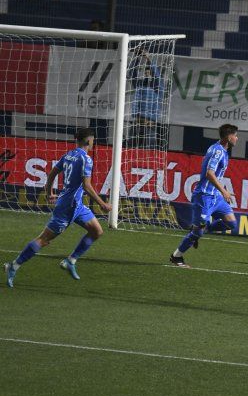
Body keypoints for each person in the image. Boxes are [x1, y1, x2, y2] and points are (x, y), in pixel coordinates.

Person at [3, 128, 112, 288]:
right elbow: (86, 186)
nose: (93, 142)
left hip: (77, 205)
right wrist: (102, 204)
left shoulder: (68, 155)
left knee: (96, 231)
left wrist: (49, 192)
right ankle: (13, 266)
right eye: (93, 140)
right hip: (67, 207)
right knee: (43, 240)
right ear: (88, 141)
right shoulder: (86, 159)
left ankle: (70, 261)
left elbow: (52, 173)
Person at [170, 124, 239, 268]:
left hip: (215, 197)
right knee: (197, 233)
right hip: (204, 197)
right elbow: (209, 173)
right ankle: (176, 256)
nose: (237, 138)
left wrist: (220, 192)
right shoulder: (217, 151)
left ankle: (203, 228)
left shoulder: (221, 149)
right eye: (235, 135)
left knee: (231, 223)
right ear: (228, 137)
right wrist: (224, 191)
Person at [127, 48, 165, 148]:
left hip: (150, 127)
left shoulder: (158, 88)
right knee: (130, 150)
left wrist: (148, 59)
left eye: (149, 71)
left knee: (149, 152)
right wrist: (137, 57)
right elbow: (131, 73)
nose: (147, 73)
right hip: (137, 125)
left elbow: (157, 76)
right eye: (146, 71)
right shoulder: (139, 85)